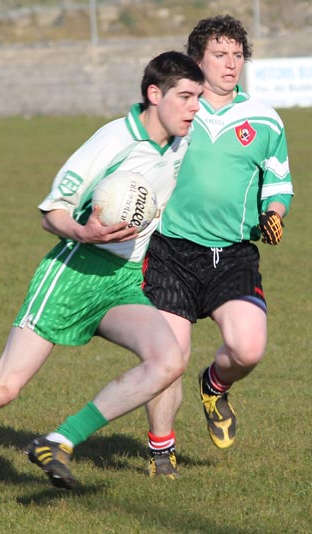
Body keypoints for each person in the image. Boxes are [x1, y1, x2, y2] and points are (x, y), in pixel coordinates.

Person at [0, 51, 204, 510]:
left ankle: (60, 441)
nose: (194, 107)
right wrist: (84, 231)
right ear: (154, 94)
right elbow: (53, 211)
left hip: (122, 280)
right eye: (186, 97)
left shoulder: (180, 141)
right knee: (3, 388)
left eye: (198, 98)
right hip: (71, 274)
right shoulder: (112, 141)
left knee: (168, 360)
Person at [142, 15, 294, 479]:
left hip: (233, 254)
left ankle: (215, 385)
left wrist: (275, 213)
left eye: (237, 55)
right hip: (171, 252)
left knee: (247, 349)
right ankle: (161, 452)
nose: (231, 64)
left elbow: (279, 182)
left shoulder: (264, 119)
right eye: (219, 55)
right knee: (167, 360)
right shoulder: (176, 110)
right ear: (196, 60)